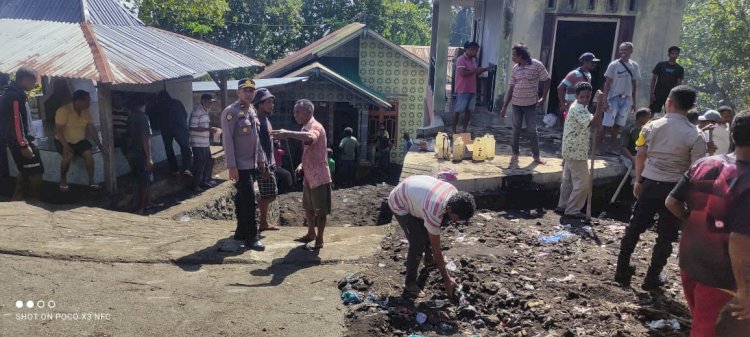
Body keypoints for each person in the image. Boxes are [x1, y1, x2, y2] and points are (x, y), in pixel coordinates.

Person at [665, 110, 750, 337]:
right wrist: (745, 290)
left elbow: (671, 201)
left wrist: (692, 223)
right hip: (722, 277)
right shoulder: (747, 181)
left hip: (690, 263)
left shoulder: (705, 163)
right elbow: (740, 238)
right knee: (710, 331)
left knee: (701, 321)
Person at [614, 85, 707, 290]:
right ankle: (651, 278)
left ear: (669, 103)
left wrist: (638, 181)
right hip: (675, 190)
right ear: (692, 106)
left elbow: (640, 155)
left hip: (649, 183)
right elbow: (696, 170)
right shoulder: (696, 135)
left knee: (635, 226)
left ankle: (621, 269)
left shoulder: (650, 126)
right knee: (666, 235)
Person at [388, 175, 476, 299]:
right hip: (400, 203)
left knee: (429, 231)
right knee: (417, 243)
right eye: (457, 218)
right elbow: (436, 247)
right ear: (449, 209)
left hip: (415, 195)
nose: (457, 222)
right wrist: (447, 279)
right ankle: (410, 284)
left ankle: (429, 260)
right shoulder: (435, 210)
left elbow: (433, 233)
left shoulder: (454, 195)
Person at [272, 99, 332, 250]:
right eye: (294, 111)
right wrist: (301, 165)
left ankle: (320, 238)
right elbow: (309, 150)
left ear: (308, 112)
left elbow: (311, 138)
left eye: (297, 111)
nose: (294, 114)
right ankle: (311, 233)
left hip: (319, 176)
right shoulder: (305, 126)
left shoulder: (315, 126)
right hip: (308, 175)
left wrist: (288, 134)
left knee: (321, 210)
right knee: (308, 208)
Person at [220, 78, 269, 252]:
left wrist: (261, 158)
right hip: (239, 164)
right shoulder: (230, 112)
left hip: (252, 163)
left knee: (242, 197)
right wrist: (231, 166)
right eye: (245, 90)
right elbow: (227, 141)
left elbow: (256, 138)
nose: (249, 93)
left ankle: (241, 230)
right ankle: (251, 236)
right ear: (238, 92)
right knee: (248, 200)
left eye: (251, 90)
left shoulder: (252, 111)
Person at [555, 82, 604, 219]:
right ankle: (573, 209)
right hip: (576, 151)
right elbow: (593, 123)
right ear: (576, 96)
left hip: (571, 149)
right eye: (582, 97)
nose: (585, 99)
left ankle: (563, 205)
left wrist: (596, 105)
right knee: (583, 183)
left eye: (588, 97)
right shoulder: (578, 109)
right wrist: (600, 105)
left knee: (568, 181)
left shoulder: (580, 106)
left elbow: (590, 118)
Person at [500, 43, 551, 166]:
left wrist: (543, 98)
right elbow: (512, 88)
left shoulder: (537, 65)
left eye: (514, 55)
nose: (512, 57)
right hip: (516, 104)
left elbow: (547, 79)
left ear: (521, 55)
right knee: (515, 129)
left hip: (530, 104)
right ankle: (515, 154)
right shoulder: (515, 69)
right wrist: (505, 106)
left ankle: (536, 156)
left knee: (532, 130)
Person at [0, 67, 43, 200]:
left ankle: (16, 200)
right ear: (24, 80)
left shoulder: (15, 93)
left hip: (20, 141)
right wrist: (24, 145)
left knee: (24, 172)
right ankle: (35, 201)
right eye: (33, 81)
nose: (35, 84)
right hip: (23, 143)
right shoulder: (14, 96)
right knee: (36, 173)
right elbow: (16, 122)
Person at [54, 90, 104, 191]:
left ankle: (91, 181)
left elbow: (92, 128)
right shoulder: (63, 110)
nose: (89, 104)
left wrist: (99, 144)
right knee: (68, 155)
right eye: (87, 101)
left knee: (89, 155)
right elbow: (58, 130)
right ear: (77, 101)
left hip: (80, 140)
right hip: (63, 140)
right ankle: (63, 180)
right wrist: (66, 146)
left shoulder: (86, 111)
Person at [598, 42, 641, 155]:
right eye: (621, 50)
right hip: (613, 98)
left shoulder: (634, 66)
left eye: (625, 50)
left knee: (618, 125)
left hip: (626, 99)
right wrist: (605, 101)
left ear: (631, 51)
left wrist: (634, 101)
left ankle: (611, 147)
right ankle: (597, 147)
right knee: (606, 124)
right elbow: (607, 84)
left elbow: (634, 84)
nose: (623, 52)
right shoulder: (614, 65)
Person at [252, 88, 280, 232]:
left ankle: (262, 221)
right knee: (269, 195)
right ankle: (254, 217)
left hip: (269, 162)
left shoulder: (266, 119)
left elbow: (266, 140)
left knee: (269, 194)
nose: (272, 105)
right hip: (263, 164)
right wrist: (263, 167)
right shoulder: (257, 121)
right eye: (269, 102)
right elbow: (257, 145)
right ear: (260, 104)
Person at [126, 94, 158, 215]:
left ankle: (147, 203)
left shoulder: (131, 117)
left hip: (132, 153)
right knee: (144, 181)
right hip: (141, 154)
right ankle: (141, 207)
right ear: (145, 104)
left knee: (143, 180)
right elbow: (145, 138)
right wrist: (149, 157)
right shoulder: (143, 118)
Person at [452, 41, 489, 134]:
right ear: (469, 50)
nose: (476, 53)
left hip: (472, 89)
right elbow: (463, 73)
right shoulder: (461, 59)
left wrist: (483, 70)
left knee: (469, 111)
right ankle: (453, 130)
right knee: (458, 110)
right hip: (462, 89)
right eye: (475, 51)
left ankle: (464, 129)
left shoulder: (473, 60)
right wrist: (475, 70)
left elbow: (475, 73)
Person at [157, 90, 192, 177]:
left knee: (169, 149)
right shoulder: (177, 102)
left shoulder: (160, 106)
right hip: (179, 127)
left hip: (166, 129)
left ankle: (174, 170)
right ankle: (186, 169)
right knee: (185, 148)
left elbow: (157, 119)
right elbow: (185, 114)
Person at [189, 93, 218, 192]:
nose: (210, 104)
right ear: (203, 101)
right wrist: (209, 129)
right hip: (197, 143)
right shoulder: (197, 111)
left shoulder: (205, 111)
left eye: (211, 102)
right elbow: (192, 127)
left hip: (205, 142)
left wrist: (210, 131)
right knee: (199, 163)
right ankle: (195, 185)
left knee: (208, 162)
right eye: (209, 102)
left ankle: (205, 181)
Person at [557, 52, 599, 117]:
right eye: (592, 62)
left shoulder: (588, 74)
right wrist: (564, 105)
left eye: (595, 62)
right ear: (585, 62)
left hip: (582, 108)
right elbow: (560, 88)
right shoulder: (574, 74)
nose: (594, 64)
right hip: (572, 108)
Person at [649, 46, 684, 114]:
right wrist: (652, 93)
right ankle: (647, 125)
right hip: (657, 93)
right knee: (651, 112)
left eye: (676, 54)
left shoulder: (680, 68)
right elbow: (653, 79)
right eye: (672, 53)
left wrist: (675, 96)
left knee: (669, 114)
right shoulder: (660, 65)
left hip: (670, 95)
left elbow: (679, 83)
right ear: (669, 54)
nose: (674, 55)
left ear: (678, 55)